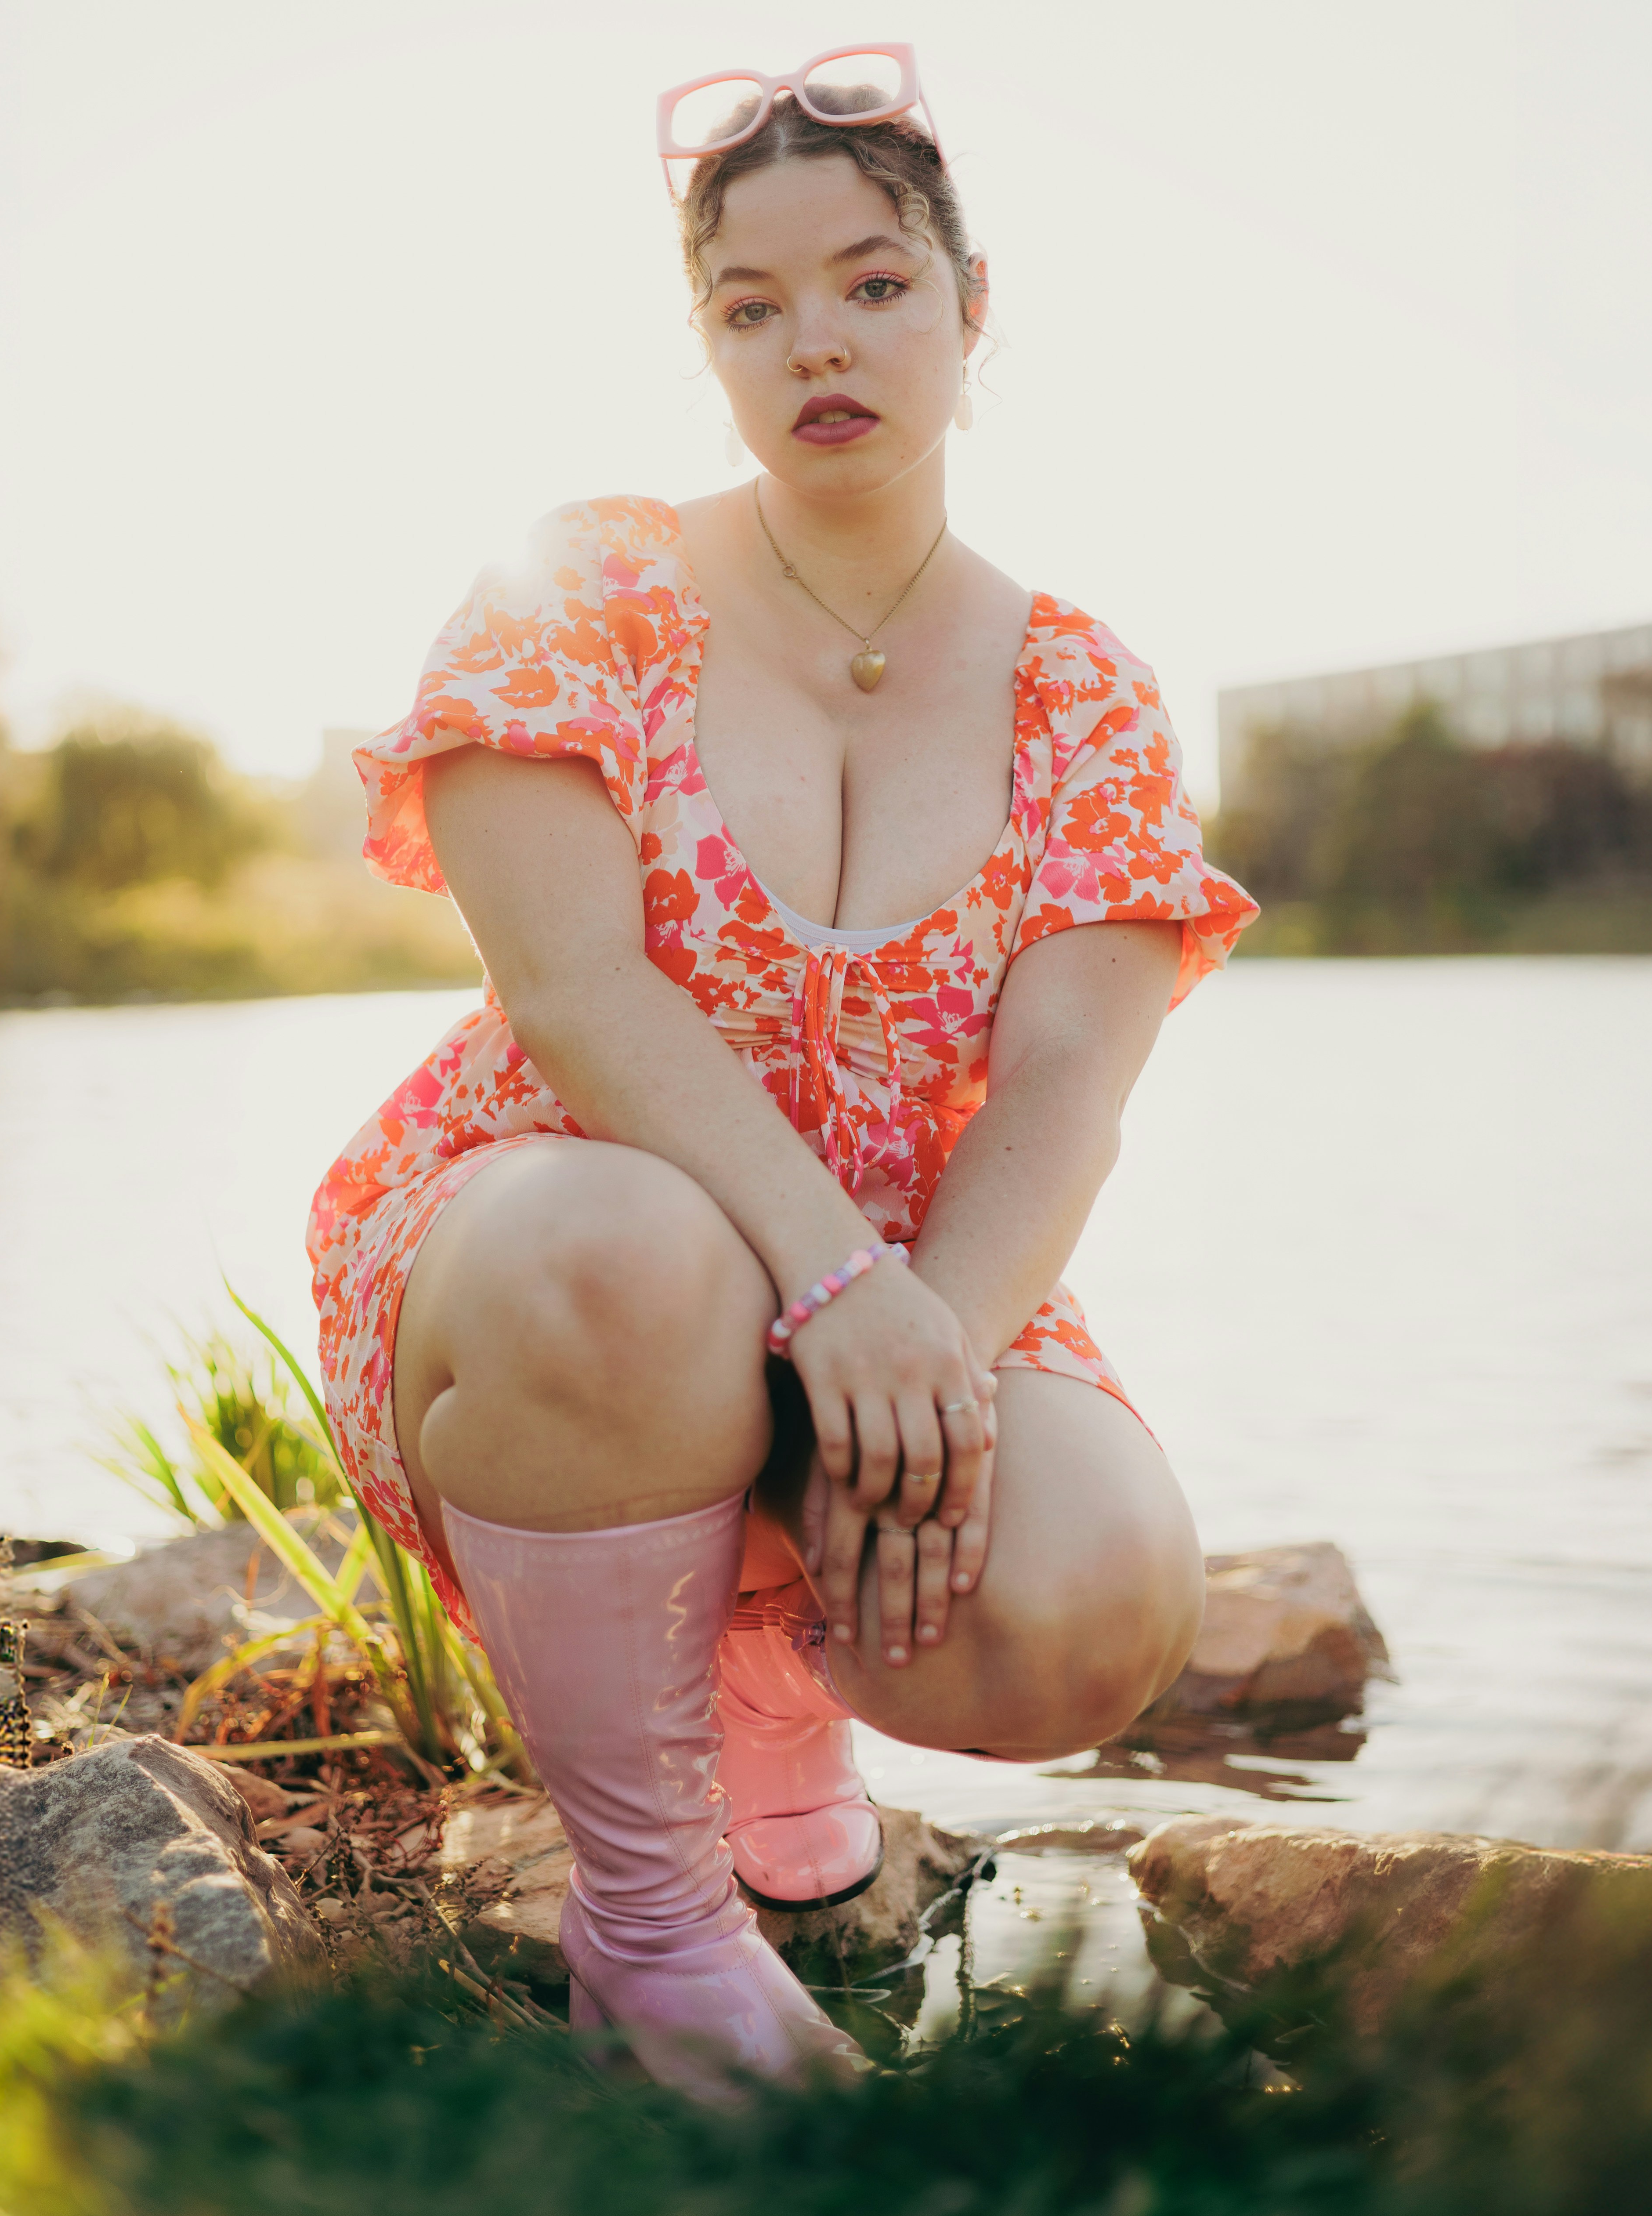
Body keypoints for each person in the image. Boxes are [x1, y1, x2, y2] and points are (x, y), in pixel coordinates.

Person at [307, 49, 1257, 2100]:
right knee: (635, 1247)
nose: (815, 339)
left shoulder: (1082, 686)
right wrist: (833, 1289)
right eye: (751, 306)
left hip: (908, 1278)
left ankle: (753, 1690)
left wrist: (917, 1362)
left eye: (873, 283)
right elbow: (570, 990)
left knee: (1101, 1584)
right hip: (557, 1262)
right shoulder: (577, 591)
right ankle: (651, 1933)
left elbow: (1065, 1090)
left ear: (970, 305)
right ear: (705, 344)